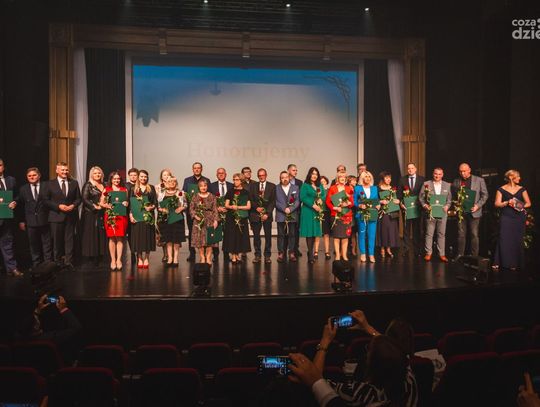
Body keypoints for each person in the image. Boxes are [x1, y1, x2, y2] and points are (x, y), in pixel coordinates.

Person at [290, 323, 408, 407]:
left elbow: (316, 379)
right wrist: (368, 327)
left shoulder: (359, 393)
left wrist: (325, 341)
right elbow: (395, 352)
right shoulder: (408, 379)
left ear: (371, 365)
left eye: (369, 349)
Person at [45, 162, 81, 270]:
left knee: (69, 240)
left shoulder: (74, 183)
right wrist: (58, 206)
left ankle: (68, 262)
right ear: (57, 171)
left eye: (66, 170)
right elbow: (45, 200)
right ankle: (57, 262)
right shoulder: (49, 184)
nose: (65, 172)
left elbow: (78, 198)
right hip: (56, 216)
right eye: (62, 170)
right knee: (57, 241)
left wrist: (73, 205)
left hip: (70, 216)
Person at [493, 169, 531, 270]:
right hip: (506, 216)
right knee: (504, 238)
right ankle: (500, 261)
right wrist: (506, 202)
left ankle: (514, 263)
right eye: (518, 176)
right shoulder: (501, 189)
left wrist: (517, 204)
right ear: (511, 177)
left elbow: (528, 203)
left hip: (519, 217)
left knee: (517, 239)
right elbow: (496, 203)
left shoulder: (522, 189)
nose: (520, 178)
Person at [452, 163, 489, 258]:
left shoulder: (479, 180)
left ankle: (474, 257)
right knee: (461, 235)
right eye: (460, 171)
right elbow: (454, 196)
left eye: (464, 171)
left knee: (474, 235)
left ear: (469, 170)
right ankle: (460, 255)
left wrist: (477, 206)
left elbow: (485, 195)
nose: (462, 173)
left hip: (474, 212)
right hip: (461, 213)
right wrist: (456, 204)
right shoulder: (456, 181)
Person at [17, 167, 52, 268]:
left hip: (45, 220)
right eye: (29, 176)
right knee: (33, 244)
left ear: (39, 175)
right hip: (30, 222)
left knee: (47, 243)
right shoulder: (23, 189)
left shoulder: (47, 186)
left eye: (34, 175)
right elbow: (20, 206)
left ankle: (48, 264)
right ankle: (36, 264)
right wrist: (21, 221)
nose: (32, 177)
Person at [418, 167, 452, 263]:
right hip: (430, 213)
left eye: (439, 174)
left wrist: (447, 206)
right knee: (429, 234)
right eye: (436, 174)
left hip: (442, 213)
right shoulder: (426, 184)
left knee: (441, 234)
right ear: (433, 174)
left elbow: (449, 200)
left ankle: (442, 254)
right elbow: (421, 198)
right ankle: (428, 253)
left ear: (442, 175)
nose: (437, 176)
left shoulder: (447, 185)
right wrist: (425, 205)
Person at [100, 171, 129, 270]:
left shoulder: (124, 190)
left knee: (120, 238)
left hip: (121, 216)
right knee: (112, 238)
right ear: (111, 179)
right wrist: (107, 205)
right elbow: (101, 203)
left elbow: (127, 202)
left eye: (118, 179)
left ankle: (119, 260)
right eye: (114, 179)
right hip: (110, 216)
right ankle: (113, 260)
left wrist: (126, 203)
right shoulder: (107, 189)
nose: (117, 180)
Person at [182, 162, 211, 262]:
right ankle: (192, 253)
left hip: (205, 213)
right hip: (192, 212)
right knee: (192, 233)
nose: (197, 169)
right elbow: (184, 195)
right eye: (195, 168)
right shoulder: (187, 180)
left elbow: (210, 195)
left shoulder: (206, 180)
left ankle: (205, 254)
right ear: (192, 169)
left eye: (198, 168)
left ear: (201, 169)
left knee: (205, 233)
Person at [129, 169, 157, 268]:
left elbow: (155, 202)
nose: (143, 178)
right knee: (138, 237)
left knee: (148, 237)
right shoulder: (133, 189)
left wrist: (151, 207)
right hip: (137, 216)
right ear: (138, 177)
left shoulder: (151, 188)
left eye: (145, 176)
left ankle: (147, 258)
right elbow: (131, 204)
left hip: (148, 216)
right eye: (141, 176)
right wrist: (131, 215)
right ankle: (140, 257)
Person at [156, 176, 187, 267]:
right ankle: (170, 258)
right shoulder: (162, 193)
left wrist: (181, 208)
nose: (171, 183)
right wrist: (162, 210)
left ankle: (175, 258)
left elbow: (185, 204)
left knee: (176, 239)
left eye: (173, 182)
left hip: (177, 219)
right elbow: (158, 206)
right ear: (166, 183)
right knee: (168, 239)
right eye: (169, 181)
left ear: (176, 183)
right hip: (166, 219)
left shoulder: (181, 193)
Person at [80, 166, 107, 265]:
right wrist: (94, 206)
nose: (97, 175)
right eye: (95, 173)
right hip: (91, 213)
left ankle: (101, 254)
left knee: (101, 233)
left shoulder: (104, 184)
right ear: (91, 175)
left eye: (99, 173)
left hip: (102, 212)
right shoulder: (88, 185)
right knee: (92, 234)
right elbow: (84, 198)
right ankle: (92, 256)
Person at [398, 163, 425, 257]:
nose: (410, 170)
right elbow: (399, 194)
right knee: (406, 229)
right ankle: (406, 249)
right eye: (408, 168)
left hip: (417, 208)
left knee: (417, 229)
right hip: (406, 208)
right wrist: (401, 204)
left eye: (412, 168)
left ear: (415, 169)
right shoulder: (402, 180)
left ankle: (417, 250)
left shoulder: (422, 179)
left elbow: (424, 194)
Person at [249, 168, 276, 264]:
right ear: (257, 176)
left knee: (268, 236)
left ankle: (267, 256)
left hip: (267, 216)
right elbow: (250, 199)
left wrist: (267, 213)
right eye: (259, 175)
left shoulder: (272, 186)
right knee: (256, 236)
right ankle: (257, 255)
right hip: (255, 215)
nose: (261, 177)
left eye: (263, 175)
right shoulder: (253, 186)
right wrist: (256, 208)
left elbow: (273, 201)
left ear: (266, 175)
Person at [223, 173, 251, 264]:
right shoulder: (230, 191)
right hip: (231, 217)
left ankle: (237, 254)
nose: (235, 181)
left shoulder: (246, 192)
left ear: (241, 181)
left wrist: (238, 207)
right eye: (234, 179)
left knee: (240, 236)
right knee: (232, 236)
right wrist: (232, 207)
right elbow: (226, 205)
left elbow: (248, 207)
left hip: (242, 217)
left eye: (237, 180)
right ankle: (233, 255)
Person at [190, 179, 219, 264]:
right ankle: (202, 257)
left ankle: (208, 257)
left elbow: (215, 209)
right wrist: (195, 216)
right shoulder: (195, 196)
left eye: (205, 186)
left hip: (210, 220)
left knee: (210, 240)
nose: (203, 187)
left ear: (207, 186)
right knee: (200, 240)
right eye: (201, 186)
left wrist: (216, 220)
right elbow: (191, 208)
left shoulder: (212, 196)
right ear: (198, 187)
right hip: (199, 221)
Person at [326, 173, 354, 261]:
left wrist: (349, 203)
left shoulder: (349, 188)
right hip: (336, 214)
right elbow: (328, 202)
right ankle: (338, 255)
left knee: (345, 237)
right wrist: (334, 208)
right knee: (337, 236)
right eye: (340, 177)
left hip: (346, 215)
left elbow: (352, 203)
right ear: (337, 179)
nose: (342, 178)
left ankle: (344, 255)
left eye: (344, 177)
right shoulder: (332, 188)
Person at [0, 158, 21, 276]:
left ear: (3, 166)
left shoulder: (11, 180)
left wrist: (15, 202)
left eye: (0, 165)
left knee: (8, 243)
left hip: (7, 218)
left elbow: (17, 195)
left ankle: (12, 268)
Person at [299, 167, 324, 264]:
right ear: (309, 174)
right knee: (309, 233)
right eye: (313, 173)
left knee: (314, 233)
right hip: (308, 211)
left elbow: (323, 195)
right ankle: (310, 254)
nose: (314, 176)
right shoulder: (305, 185)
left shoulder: (319, 185)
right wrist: (313, 205)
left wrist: (321, 200)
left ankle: (311, 251)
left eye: (316, 174)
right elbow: (302, 197)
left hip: (317, 211)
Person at [275, 171, 300, 263]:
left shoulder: (295, 188)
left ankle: (291, 253)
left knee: (292, 234)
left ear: (289, 177)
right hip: (281, 214)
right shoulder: (276, 188)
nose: (284, 179)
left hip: (292, 214)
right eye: (282, 177)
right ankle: (281, 253)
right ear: (280, 179)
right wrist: (284, 208)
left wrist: (290, 209)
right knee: (281, 235)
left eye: (286, 177)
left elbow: (297, 201)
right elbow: (275, 201)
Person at [354, 171, 379, 263]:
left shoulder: (374, 188)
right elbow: (354, 201)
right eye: (365, 176)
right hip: (361, 214)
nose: (368, 178)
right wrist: (359, 205)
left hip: (373, 213)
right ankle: (363, 253)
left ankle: (371, 254)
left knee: (371, 235)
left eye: (369, 176)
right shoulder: (357, 188)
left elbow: (377, 200)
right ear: (362, 178)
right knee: (362, 234)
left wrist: (378, 205)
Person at [209, 168, 233, 263]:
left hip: (228, 213)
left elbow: (234, 199)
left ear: (226, 174)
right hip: (216, 214)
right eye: (219, 173)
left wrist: (228, 207)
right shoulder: (211, 186)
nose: (221, 174)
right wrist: (217, 208)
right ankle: (215, 255)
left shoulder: (231, 185)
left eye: (222, 173)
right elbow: (209, 199)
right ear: (216, 175)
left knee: (227, 235)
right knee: (216, 235)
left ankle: (226, 254)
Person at [377, 171, 400, 258]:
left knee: (391, 231)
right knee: (383, 231)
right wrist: (381, 201)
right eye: (386, 178)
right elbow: (375, 200)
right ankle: (382, 248)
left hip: (392, 213)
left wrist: (398, 201)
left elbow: (397, 199)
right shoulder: (378, 188)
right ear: (382, 179)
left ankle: (388, 249)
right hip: (383, 213)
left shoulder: (392, 188)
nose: (388, 179)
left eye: (389, 178)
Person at [155, 168, 173, 263]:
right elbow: (155, 200)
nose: (166, 176)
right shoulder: (157, 187)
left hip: (171, 213)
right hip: (161, 212)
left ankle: (171, 254)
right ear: (161, 177)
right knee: (163, 234)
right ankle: (165, 254)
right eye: (164, 175)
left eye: (168, 174)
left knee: (171, 233)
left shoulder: (173, 185)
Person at [288, 164, 303, 257]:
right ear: (288, 171)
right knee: (288, 230)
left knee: (296, 231)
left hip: (297, 210)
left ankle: (295, 248)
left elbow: (300, 196)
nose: (295, 172)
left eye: (296, 170)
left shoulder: (299, 182)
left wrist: (294, 205)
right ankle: (288, 249)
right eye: (293, 170)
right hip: (286, 210)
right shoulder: (284, 180)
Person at [315, 175, 332, 260]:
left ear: (327, 182)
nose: (322, 183)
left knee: (326, 233)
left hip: (327, 213)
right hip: (318, 212)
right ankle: (316, 251)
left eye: (324, 182)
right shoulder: (316, 190)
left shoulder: (329, 190)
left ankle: (327, 252)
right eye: (321, 182)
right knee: (317, 233)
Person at [125, 167, 139, 265]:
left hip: (138, 211)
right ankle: (133, 252)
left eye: (135, 175)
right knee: (130, 233)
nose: (133, 177)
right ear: (129, 176)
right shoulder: (125, 185)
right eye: (131, 175)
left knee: (138, 233)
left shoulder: (140, 185)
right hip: (127, 212)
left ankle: (138, 253)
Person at [347, 175, 359, 258]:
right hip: (348, 212)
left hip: (356, 212)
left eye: (355, 181)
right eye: (353, 180)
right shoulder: (346, 189)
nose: (355, 182)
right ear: (349, 181)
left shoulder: (357, 189)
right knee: (347, 232)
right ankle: (346, 250)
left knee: (354, 233)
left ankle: (353, 250)